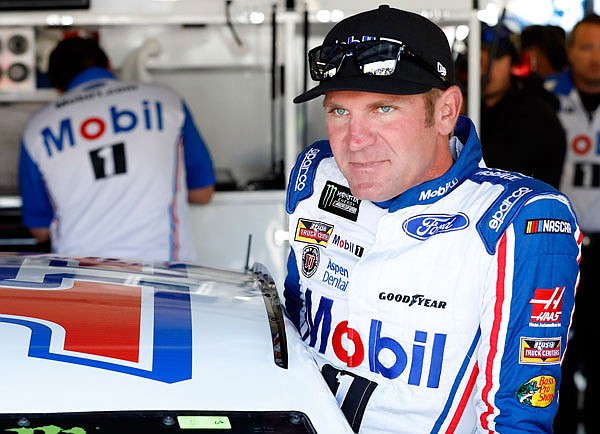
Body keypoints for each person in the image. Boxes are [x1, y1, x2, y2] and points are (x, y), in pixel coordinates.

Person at [283, 5, 581, 433]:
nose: (355, 141)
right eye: (339, 111)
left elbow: (518, 420)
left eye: (383, 109)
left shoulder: (520, 221)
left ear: (445, 111)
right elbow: (290, 341)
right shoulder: (315, 174)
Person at [18, 36, 215, 262]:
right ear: (109, 65)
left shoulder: (38, 127)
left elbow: (40, 229)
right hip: (164, 274)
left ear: (58, 89)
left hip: (83, 279)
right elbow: (203, 193)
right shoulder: (166, 100)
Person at [545, 13, 600, 434]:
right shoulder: (545, 98)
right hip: (560, 246)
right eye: (586, 46)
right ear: (569, 51)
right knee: (552, 348)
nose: (596, 57)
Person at [479, 23, 566, 188]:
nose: (484, 69)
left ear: (514, 63)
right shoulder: (464, 111)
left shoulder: (536, 116)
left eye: (495, 58)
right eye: (477, 59)